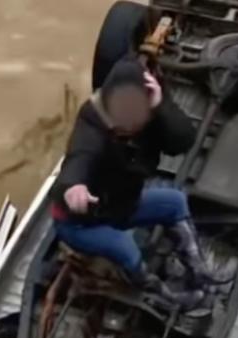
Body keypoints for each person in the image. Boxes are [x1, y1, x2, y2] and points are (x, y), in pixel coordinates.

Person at [51, 59, 218, 308]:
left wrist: (161, 106)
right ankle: (160, 296)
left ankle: (199, 272)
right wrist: (73, 188)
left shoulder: (153, 106)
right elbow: (79, 158)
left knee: (175, 201)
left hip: (124, 204)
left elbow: (183, 142)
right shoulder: (92, 120)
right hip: (82, 223)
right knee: (124, 246)